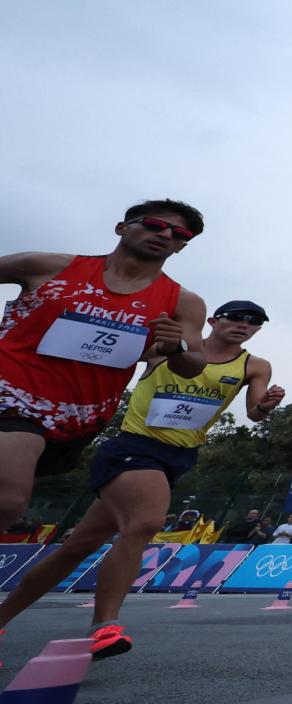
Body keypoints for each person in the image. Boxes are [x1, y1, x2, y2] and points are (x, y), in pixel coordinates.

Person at [0, 299, 280, 658]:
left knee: (78, 547)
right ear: (213, 320)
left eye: (254, 321)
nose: (244, 324)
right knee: (145, 522)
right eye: (236, 317)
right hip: (134, 446)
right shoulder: (166, 348)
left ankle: (4, 615)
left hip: (178, 457)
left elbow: (255, 414)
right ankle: (104, 627)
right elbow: (102, 348)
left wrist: (267, 405)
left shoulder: (254, 366)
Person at [0, 200, 209, 533]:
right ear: (122, 227)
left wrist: (176, 347)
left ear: (182, 246)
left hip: (79, 419)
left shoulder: (183, 302)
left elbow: (193, 365)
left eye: (178, 233)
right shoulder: (49, 266)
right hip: (12, 393)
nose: (165, 234)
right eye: (154, 225)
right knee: (8, 501)